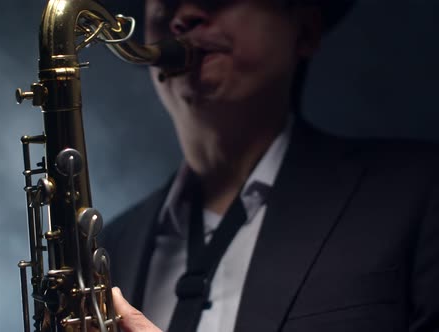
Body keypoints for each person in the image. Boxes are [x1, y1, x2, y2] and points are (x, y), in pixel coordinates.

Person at [100, 0, 439, 331]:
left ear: (305, 30)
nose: (183, 16)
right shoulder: (110, 246)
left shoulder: (420, 191)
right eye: (165, 5)